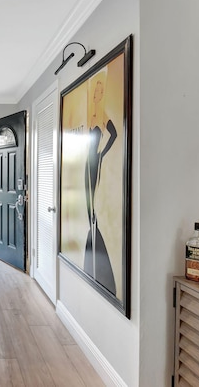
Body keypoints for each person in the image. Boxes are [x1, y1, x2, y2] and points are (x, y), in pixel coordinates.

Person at [83, 70, 117, 294]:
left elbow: (113, 134)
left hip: (94, 159)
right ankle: (92, 244)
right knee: (87, 201)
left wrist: (102, 154)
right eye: (97, 90)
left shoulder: (102, 114)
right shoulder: (90, 113)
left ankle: (96, 249)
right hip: (88, 160)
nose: (98, 93)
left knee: (92, 200)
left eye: (101, 90)